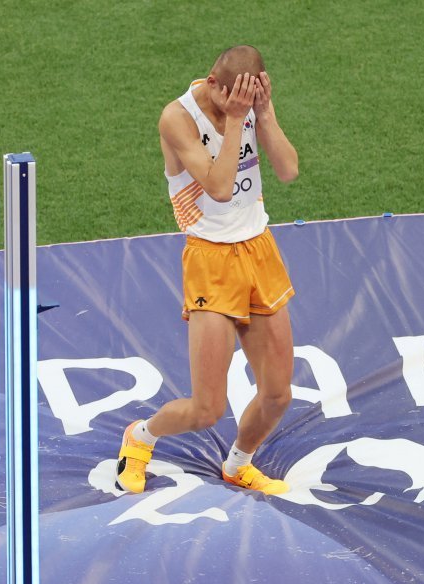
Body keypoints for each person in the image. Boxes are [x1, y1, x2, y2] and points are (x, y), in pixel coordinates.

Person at [116, 45, 299, 496]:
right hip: (210, 257)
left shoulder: (250, 104)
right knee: (206, 409)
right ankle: (140, 437)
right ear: (213, 81)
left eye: (245, 98)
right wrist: (238, 119)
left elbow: (289, 170)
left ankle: (238, 463)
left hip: (259, 249)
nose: (231, 104)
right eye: (226, 96)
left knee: (278, 394)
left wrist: (266, 113)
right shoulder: (177, 118)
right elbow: (218, 188)